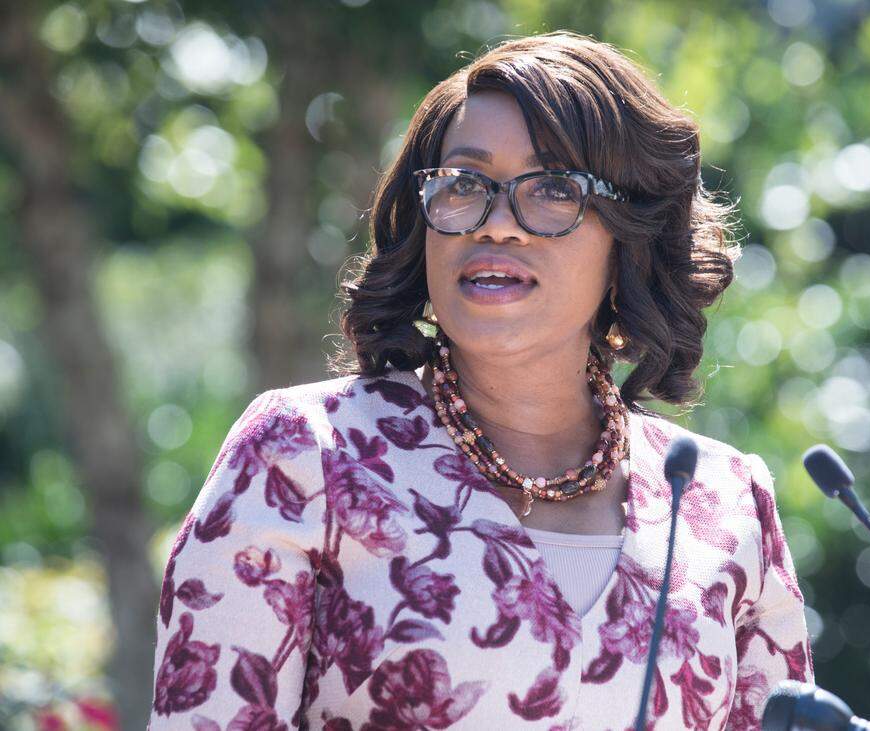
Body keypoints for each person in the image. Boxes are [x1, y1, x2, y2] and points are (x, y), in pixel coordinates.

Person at [148, 30, 812, 730]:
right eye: (464, 184)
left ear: (630, 234)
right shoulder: (303, 457)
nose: (497, 224)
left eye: (554, 188)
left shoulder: (722, 500)